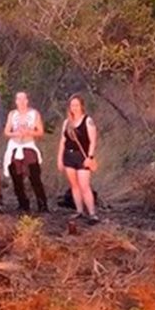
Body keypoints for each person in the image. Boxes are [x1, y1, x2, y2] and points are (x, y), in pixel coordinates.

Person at [3, 91, 48, 213]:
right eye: (18, 99)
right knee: (16, 177)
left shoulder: (34, 114)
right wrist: (15, 133)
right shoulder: (12, 114)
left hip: (28, 146)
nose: (21, 102)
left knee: (34, 176)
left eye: (24, 99)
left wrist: (29, 132)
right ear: (16, 101)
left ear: (27, 100)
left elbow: (40, 131)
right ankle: (23, 203)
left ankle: (42, 204)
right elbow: (6, 132)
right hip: (14, 146)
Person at [57, 94, 99, 223]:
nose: (74, 108)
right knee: (74, 185)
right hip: (68, 156)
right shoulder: (67, 122)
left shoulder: (87, 120)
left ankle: (92, 213)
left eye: (76, 105)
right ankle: (79, 211)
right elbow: (62, 141)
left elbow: (93, 141)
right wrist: (59, 158)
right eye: (72, 105)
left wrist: (90, 157)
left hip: (82, 156)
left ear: (81, 106)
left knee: (84, 186)